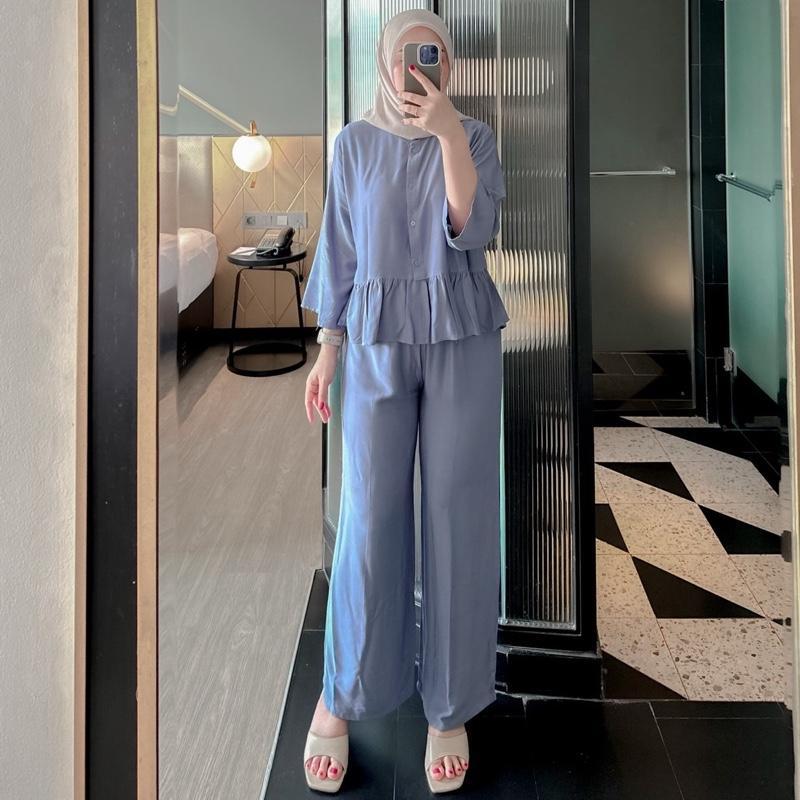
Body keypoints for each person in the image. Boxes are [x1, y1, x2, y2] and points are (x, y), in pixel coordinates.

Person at [300, 8, 509, 794]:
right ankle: (341, 693)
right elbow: (341, 249)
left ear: (449, 65)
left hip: (462, 339)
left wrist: (448, 134)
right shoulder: (354, 143)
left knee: (457, 518)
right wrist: (327, 349)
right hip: (376, 346)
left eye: (435, 55)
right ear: (386, 63)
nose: (420, 68)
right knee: (369, 518)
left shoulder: (475, 137)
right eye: (409, 56)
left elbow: (471, 227)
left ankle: (448, 708)